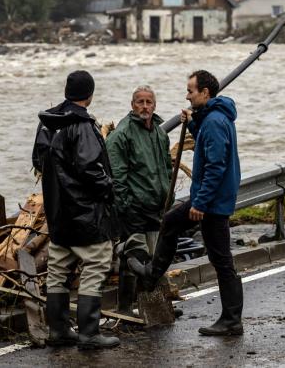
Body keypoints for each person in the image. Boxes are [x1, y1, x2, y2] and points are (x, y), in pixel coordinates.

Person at [129, 69, 243, 336]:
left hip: (211, 201)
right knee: (209, 250)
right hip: (213, 197)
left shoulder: (214, 122)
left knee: (220, 259)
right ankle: (231, 318)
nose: (187, 95)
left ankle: (231, 320)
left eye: (191, 91)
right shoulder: (215, 117)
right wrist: (192, 123)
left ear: (205, 93)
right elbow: (206, 142)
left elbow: (216, 166)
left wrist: (200, 203)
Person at [32, 70, 120, 350]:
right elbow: (91, 168)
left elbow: (38, 160)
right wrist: (109, 189)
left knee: (58, 270)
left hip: (59, 213)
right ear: (90, 94)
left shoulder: (49, 123)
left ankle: (59, 330)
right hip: (86, 214)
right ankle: (89, 333)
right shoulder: (81, 125)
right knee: (95, 266)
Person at [105, 85, 172, 314]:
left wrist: (168, 196)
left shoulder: (159, 132)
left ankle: (155, 304)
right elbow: (116, 176)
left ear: (155, 105)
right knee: (133, 256)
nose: (144, 106)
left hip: (156, 206)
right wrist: (125, 207)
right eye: (140, 102)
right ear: (132, 105)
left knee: (155, 257)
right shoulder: (121, 135)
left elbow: (166, 167)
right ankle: (125, 307)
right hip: (134, 206)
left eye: (149, 102)